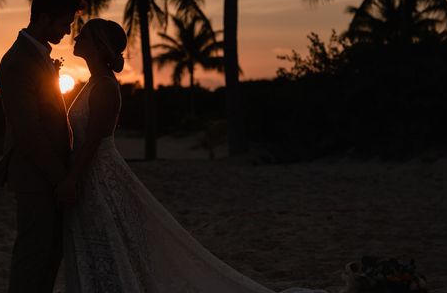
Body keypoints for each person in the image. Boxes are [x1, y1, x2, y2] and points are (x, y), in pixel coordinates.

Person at [61, 18, 326, 293]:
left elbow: (94, 140)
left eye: (85, 35)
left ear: (100, 47)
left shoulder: (104, 86)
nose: (76, 37)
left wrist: (73, 178)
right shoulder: (93, 82)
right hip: (91, 173)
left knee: (107, 242)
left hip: (98, 174)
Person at [0, 0, 81, 293]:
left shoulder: (39, 55)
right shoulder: (18, 61)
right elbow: (27, 130)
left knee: (50, 256)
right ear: (42, 18)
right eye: (63, 24)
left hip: (48, 176)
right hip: (35, 176)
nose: (67, 31)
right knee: (33, 257)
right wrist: (61, 179)